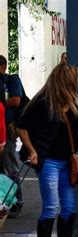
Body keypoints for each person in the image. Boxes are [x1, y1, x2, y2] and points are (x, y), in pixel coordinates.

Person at [16, 63, 78, 236]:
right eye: (76, 80)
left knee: (69, 207)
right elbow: (21, 127)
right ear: (67, 81)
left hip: (67, 160)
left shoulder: (70, 102)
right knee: (51, 207)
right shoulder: (43, 102)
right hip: (48, 161)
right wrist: (32, 150)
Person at [0, 55, 27, 218]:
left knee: (10, 166)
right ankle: (4, 201)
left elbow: (16, 100)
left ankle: (17, 201)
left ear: (3, 66)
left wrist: (1, 104)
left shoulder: (11, 80)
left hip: (8, 131)